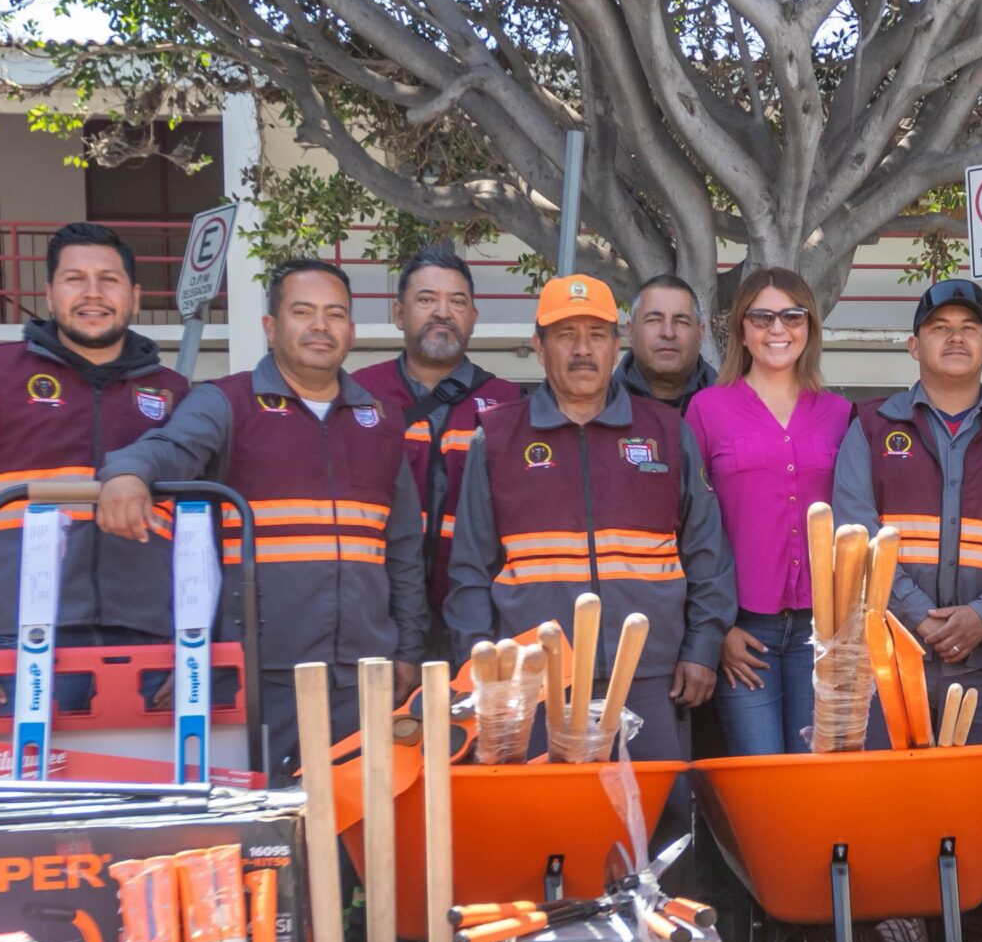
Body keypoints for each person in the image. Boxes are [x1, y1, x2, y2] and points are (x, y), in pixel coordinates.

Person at [94, 259, 426, 780]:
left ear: (352, 330)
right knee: (271, 836)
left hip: (366, 677)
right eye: (303, 311)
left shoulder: (380, 420)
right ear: (271, 327)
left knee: (362, 839)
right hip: (261, 677)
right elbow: (167, 447)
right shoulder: (226, 403)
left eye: (335, 314)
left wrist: (406, 647)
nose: (321, 325)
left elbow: (403, 546)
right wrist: (126, 475)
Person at [446, 274, 734, 763]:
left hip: (650, 675)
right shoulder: (494, 440)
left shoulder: (667, 432)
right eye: (565, 335)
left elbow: (707, 552)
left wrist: (702, 647)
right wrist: (484, 673)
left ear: (615, 343)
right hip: (532, 682)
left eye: (596, 335)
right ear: (539, 346)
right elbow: (469, 572)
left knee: (652, 824)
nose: (583, 350)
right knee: (546, 826)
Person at [0, 222, 192, 700]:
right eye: (75, 279)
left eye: (109, 279)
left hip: (154, 643)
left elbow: (203, 526)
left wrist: (198, 640)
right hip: (20, 640)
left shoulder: (175, 393)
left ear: (134, 295)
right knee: (38, 777)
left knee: (150, 777)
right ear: (49, 294)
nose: (93, 294)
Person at [832, 277, 982, 745]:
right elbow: (855, 529)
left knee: (981, 808)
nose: (956, 337)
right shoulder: (872, 426)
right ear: (914, 346)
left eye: (968, 327)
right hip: (890, 658)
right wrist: (916, 614)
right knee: (889, 805)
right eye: (940, 327)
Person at [686, 267, 854, 755]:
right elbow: (692, 526)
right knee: (759, 773)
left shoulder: (841, 414)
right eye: (762, 317)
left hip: (820, 631)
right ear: (741, 327)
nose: (777, 329)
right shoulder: (707, 409)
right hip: (742, 631)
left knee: (813, 775)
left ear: (809, 326)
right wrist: (716, 630)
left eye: (791, 316)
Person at [351, 249, 524, 618]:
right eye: (426, 299)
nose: (443, 312)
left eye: (457, 301)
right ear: (398, 314)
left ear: (473, 318)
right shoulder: (357, 396)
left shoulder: (510, 405)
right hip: (375, 614)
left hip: (480, 616)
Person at [613, 274, 716, 411]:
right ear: (631, 331)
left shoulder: (728, 409)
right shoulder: (602, 406)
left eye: (681, 322)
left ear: (700, 334)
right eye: (654, 320)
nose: (668, 333)